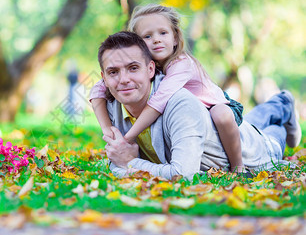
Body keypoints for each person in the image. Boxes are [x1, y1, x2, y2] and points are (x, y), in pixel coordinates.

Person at [96, 31, 301, 180]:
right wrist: (125, 162)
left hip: (256, 149)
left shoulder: (180, 104)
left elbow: (183, 174)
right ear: (104, 77)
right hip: (227, 128)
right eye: (113, 72)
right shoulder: (113, 104)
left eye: (133, 68)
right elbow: (114, 161)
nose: (123, 80)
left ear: (151, 69)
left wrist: (131, 164)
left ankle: (283, 103)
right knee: (251, 121)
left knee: (273, 134)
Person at [91, 4, 245, 172]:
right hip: (194, 110)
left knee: (221, 115)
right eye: (147, 36)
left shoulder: (181, 64)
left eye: (163, 33)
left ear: (175, 38)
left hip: (215, 104)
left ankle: (238, 166)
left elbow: (158, 103)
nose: (156, 39)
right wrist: (108, 132)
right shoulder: (147, 66)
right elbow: (97, 90)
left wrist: (126, 139)